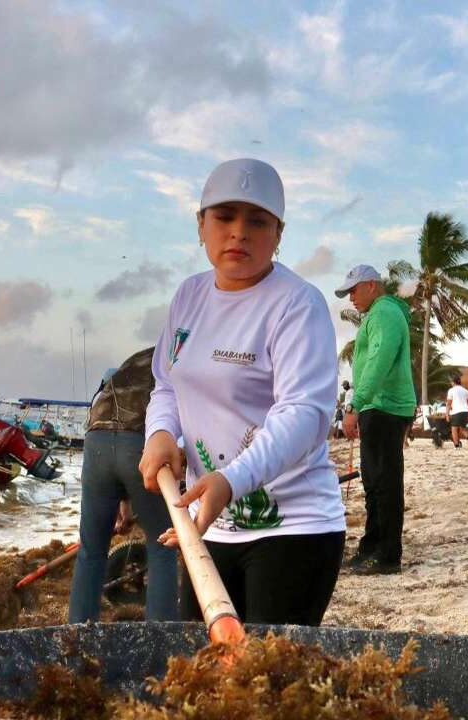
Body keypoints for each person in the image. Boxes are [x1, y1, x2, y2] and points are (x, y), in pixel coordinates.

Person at [138, 158, 346, 626]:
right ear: (201, 225)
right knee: (206, 664)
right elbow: (167, 384)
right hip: (208, 525)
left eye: (257, 221)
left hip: (294, 529)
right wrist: (161, 434)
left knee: (270, 669)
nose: (239, 233)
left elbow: (304, 414)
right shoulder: (189, 296)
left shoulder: (297, 303)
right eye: (225, 216)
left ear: (278, 234)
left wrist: (233, 480)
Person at [68, 347, 177, 623]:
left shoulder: (137, 359)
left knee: (91, 551)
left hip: (97, 441)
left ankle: (78, 636)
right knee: (162, 546)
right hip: (140, 441)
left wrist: (125, 503)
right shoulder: (181, 355)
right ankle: (160, 639)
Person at [337, 264, 416, 575]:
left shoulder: (384, 312)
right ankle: (372, 546)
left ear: (371, 285)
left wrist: (355, 404)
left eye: (354, 290)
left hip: (384, 407)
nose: (351, 298)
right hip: (379, 406)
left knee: (384, 483)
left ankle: (386, 555)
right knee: (374, 481)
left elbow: (379, 359)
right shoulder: (380, 313)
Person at [445, 375, 468, 449]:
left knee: (454, 429)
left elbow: (448, 403)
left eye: (451, 382)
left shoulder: (451, 390)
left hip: (456, 411)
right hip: (465, 411)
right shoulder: (466, 391)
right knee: (462, 428)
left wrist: (447, 414)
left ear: (453, 382)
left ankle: (456, 446)